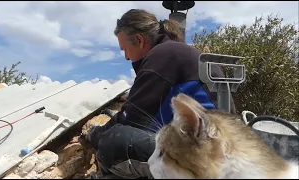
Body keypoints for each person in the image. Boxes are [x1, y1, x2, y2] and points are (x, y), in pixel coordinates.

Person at [84, 9, 236, 179]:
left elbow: (133, 119)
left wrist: (95, 135)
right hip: (221, 153)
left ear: (140, 40)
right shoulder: (179, 53)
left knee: (113, 142)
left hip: (205, 160)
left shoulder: (162, 56)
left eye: (124, 49)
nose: (126, 57)